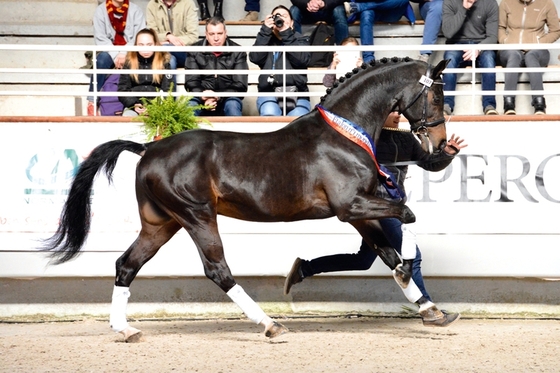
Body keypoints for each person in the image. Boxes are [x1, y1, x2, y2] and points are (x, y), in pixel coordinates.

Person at [284, 111, 467, 327]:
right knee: (413, 257)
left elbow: (429, 163)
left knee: (363, 260)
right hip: (378, 208)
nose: (398, 114)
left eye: (400, 111)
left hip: (393, 206)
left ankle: (305, 268)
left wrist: (447, 153)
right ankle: (428, 309)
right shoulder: (368, 138)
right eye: (393, 111)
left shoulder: (405, 138)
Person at [498, 0, 560, 115]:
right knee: (513, 56)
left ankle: (539, 103)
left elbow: (556, 30)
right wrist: (505, 41)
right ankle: (509, 103)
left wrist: (539, 43)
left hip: (537, 50)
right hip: (512, 49)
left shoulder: (547, 3)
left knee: (531, 57)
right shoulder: (506, 3)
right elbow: (500, 27)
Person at [249, 5, 312, 116]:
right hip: (269, 93)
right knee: (270, 112)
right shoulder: (265, 39)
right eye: (277, 16)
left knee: (297, 122)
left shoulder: (301, 40)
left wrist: (285, 32)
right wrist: (265, 31)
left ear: (292, 23)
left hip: (298, 95)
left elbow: (302, 60)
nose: (280, 19)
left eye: (284, 16)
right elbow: (255, 57)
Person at [441, 0, 499, 116]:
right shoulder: (450, 2)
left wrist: (478, 48)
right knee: (449, 59)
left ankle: (489, 105)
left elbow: (492, 37)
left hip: (481, 44)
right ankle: (446, 105)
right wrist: (464, 8)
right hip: (457, 43)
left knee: (489, 60)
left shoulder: (490, 3)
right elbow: (448, 32)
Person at [89, 0, 146, 116]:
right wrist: (116, 54)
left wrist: (124, 53)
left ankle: (141, 103)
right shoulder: (100, 11)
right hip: (110, 51)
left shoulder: (135, 10)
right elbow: (100, 39)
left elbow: (139, 37)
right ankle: (92, 100)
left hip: (132, 51)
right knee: (101, 60)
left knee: (142, 60)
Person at [185, 17, 248, 116]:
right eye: (212, 34)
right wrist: (204, 95)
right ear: (206, 35)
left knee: (232, 105)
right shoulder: (194, 50)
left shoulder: (238, 51)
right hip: (201, 97)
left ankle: (236, 132)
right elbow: (191, 82)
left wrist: (217, 95)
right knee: (191, 105)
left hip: (227, 98)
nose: (216, 38)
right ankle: (188, 132)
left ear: (225, 33)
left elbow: (240, 85)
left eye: (219, 33)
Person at [117, 28, 173, 117]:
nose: (145, 49)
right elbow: (122, 90)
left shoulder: (163, 62)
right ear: (136, 45)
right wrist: (134, 104)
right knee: (128, 117)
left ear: (155, 44)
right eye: (141, 45)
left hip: (157, 107)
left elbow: (168, 90)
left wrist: (155, 107)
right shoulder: (129, 63)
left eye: (149, 44)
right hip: (133, 107)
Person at [343, 0, 415, 63]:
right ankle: (369, 60)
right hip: (371, 11)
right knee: (366, 14)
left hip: (391, 10)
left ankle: (359, 7)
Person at [146, 0, 199, 71]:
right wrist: (167, 36)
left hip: (184, 52)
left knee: (166, 48)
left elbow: (193, 35)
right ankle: (171, 83)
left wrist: (170, 42)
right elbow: (152, 35)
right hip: (161, 53)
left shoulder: (188, 3)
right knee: (170, 61)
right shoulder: (152, 4)